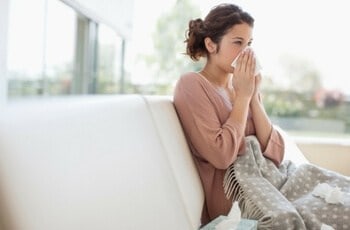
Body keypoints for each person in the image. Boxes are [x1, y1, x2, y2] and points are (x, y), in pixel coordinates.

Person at [173, 3, 285, 226]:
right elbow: (221, 156)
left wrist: (252, 97)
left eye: (249, 44)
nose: (247, 52)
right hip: (236, 199)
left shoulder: (241, 87)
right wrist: (243, 98)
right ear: (211, 44)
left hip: (271, 181)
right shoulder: (192, 85)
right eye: (238, 43)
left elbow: (276, 153)